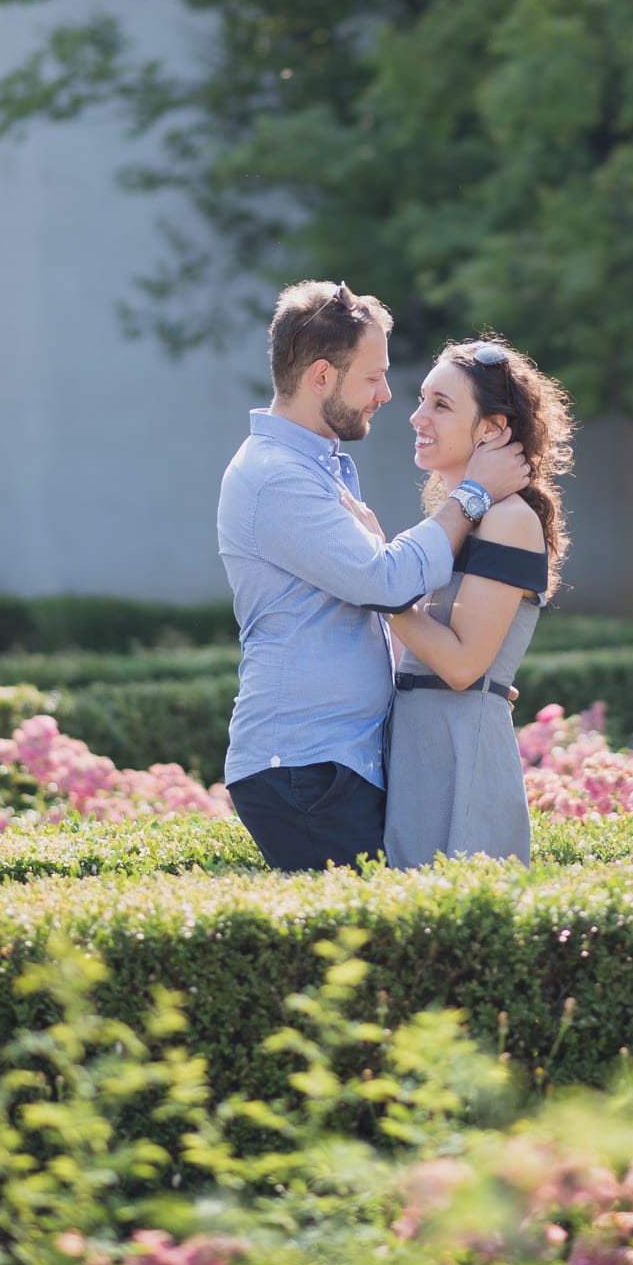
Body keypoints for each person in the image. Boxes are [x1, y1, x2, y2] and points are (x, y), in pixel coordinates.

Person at [217, 281, 531, 873]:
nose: (387, 396)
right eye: (373, 377)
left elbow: (373, 609)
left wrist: (458, 686)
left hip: (331, 763)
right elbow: (384, 585)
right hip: (306, 767)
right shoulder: (278, 476)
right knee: (363, 931)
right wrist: (471, 495)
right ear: (321, 376)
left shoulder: (319, 468)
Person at [364, 337, 575, 869]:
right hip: (423, 747)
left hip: (462, 754)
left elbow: (461, 666)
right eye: (422, 399)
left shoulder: (509, 520)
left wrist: (378, 584)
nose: (417, 417)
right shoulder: (460, 522)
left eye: (441, 405)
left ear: (492, 429)